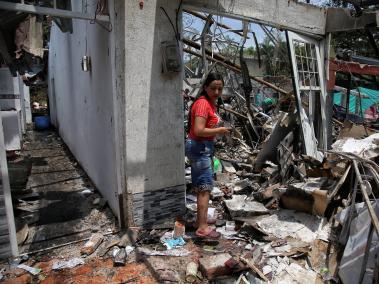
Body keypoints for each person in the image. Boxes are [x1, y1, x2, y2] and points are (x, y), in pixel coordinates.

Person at [185, 73, 230, 238]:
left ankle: (200, 221)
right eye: (213, 88)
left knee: (202, 186)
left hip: (201, 146)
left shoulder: (209, 103)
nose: (217, 92)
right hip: (200, 147)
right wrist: (219, 130)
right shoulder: (203, 104)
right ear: (205, 87)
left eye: (220, 88)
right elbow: (198, 130)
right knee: (205, 187)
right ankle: (202, 227)